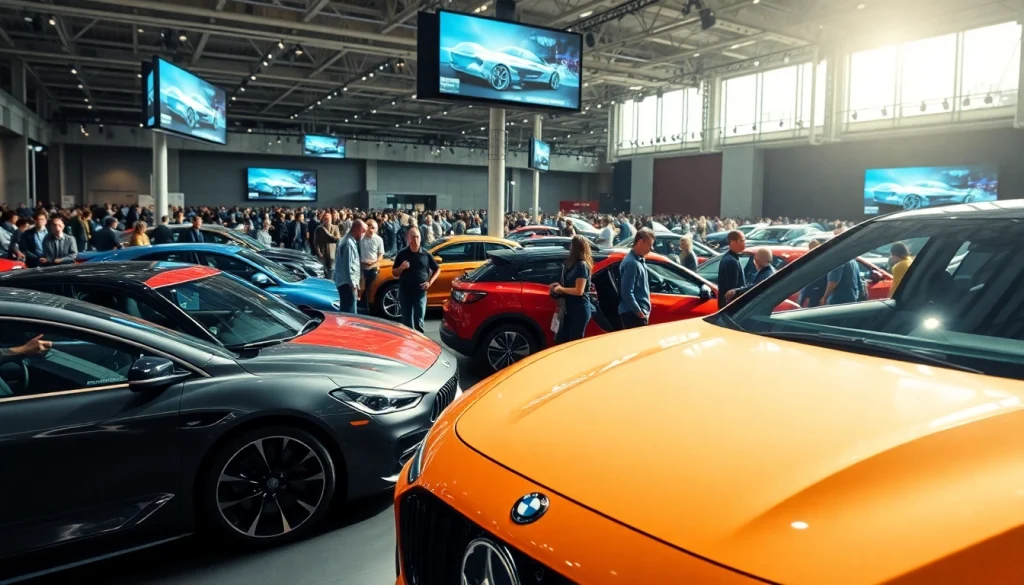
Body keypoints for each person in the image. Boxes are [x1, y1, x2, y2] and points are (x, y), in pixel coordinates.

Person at [392, 228, 439, 333]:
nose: (416, 239)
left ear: (420, 238)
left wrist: (429, 282)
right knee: (406, 322)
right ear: (408, 238)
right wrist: (401, 268)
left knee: (419, 322)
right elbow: (394, 273)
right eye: (413, 237)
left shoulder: (425, 254)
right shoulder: (402, 254)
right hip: (405, 292)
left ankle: (419, 341)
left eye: (417, 237)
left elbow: (437, 269)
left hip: (420, 293)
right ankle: (408, 341)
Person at [551, 235, 594, 343]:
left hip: (580, 309)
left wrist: (561, 289)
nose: (570, 248)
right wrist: (559, 286)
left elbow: (579, 291)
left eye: (571, 245)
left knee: (574, 340)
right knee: (563, 340)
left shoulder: (582, 266)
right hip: (569, 308)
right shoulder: (572, 265)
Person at [618, 228, 654, 329]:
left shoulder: (638, 260)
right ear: (640, 242)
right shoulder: (632, 263)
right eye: (649, 245)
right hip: (633, 315)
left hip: (636, 313)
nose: (651, 248)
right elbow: (626, 292)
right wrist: (639, 313)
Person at [333, 220, 365, 314]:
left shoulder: (347, 240)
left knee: (345, 311)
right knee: (350, 314)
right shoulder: (348, 243)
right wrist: (353, 285)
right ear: (356, 229)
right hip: (347, 284)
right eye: (363, 231)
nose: (363, 234)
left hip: (345, 283)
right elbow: (348, 266)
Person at [716, 230, 746, 310]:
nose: (744, 243)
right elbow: (732, 291)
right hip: (731, 308)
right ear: (733, 242)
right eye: (742, 241)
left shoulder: (731, 257)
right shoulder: (731, 261)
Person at [360, 219, 385, 309]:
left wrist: (375, 262)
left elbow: (381, 254)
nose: (371, 229)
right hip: (361, 267)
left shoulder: (379, 239)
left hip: (373, 267)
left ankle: (369, 307)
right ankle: (361, 305)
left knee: (371, 288)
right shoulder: (360, 238)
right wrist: (362, 261)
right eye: (369, 226)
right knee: (361, 288)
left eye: (373, 227)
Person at [799, 239, 828, 307]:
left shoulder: (822, 260)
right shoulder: (812, 260)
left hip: (817, 292)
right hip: (814, 291)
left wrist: (806, 296)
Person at [314, 214, 341, 279]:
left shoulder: (335, 227)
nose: (327, 221)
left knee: (331, 270)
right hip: (323, 253)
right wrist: (319, 252)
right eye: (325, 219)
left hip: (332, 254)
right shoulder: (319, 229)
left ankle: (330, 281)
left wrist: (328, 234)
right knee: (323, 270)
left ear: (331, 219)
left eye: (328, 219)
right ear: (323, 220)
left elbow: (337, 239)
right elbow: (315, 242)